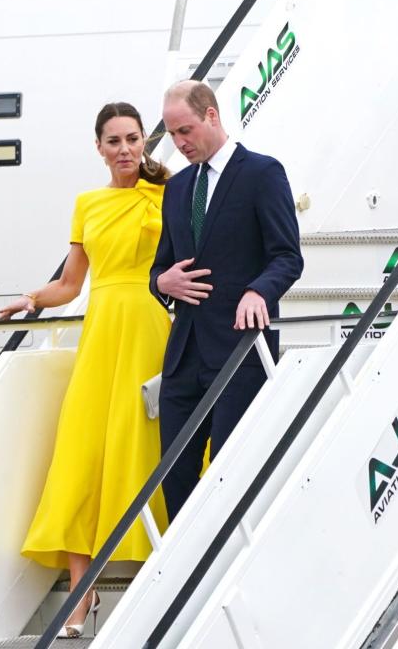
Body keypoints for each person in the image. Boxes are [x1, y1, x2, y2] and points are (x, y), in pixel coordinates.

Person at [0, 102, 171, 639]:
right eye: (114, 141)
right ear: (98, 147)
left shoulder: (170, 193)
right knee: (81, 450)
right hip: (101, 330)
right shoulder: (87, 204)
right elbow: (72, 284)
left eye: (133, 139)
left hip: (147, 325)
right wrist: (31, 299)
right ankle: (82, 591)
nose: (124, 149)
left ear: (145, 143)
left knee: (139, 444)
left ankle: (158, 582)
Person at [150, 80, 303, 521]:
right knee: (174, 477)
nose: (179, 144)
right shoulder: (177, 189)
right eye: (173, 135)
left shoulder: (261, 173)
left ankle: (220, 575)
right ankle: (187, 574)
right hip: (184, 356)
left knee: (228, 475)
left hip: (239, 351)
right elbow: (159, 268)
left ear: (212, 115)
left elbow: (287, 256)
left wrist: (260, 290)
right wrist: (164, 283)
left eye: (186, 131)